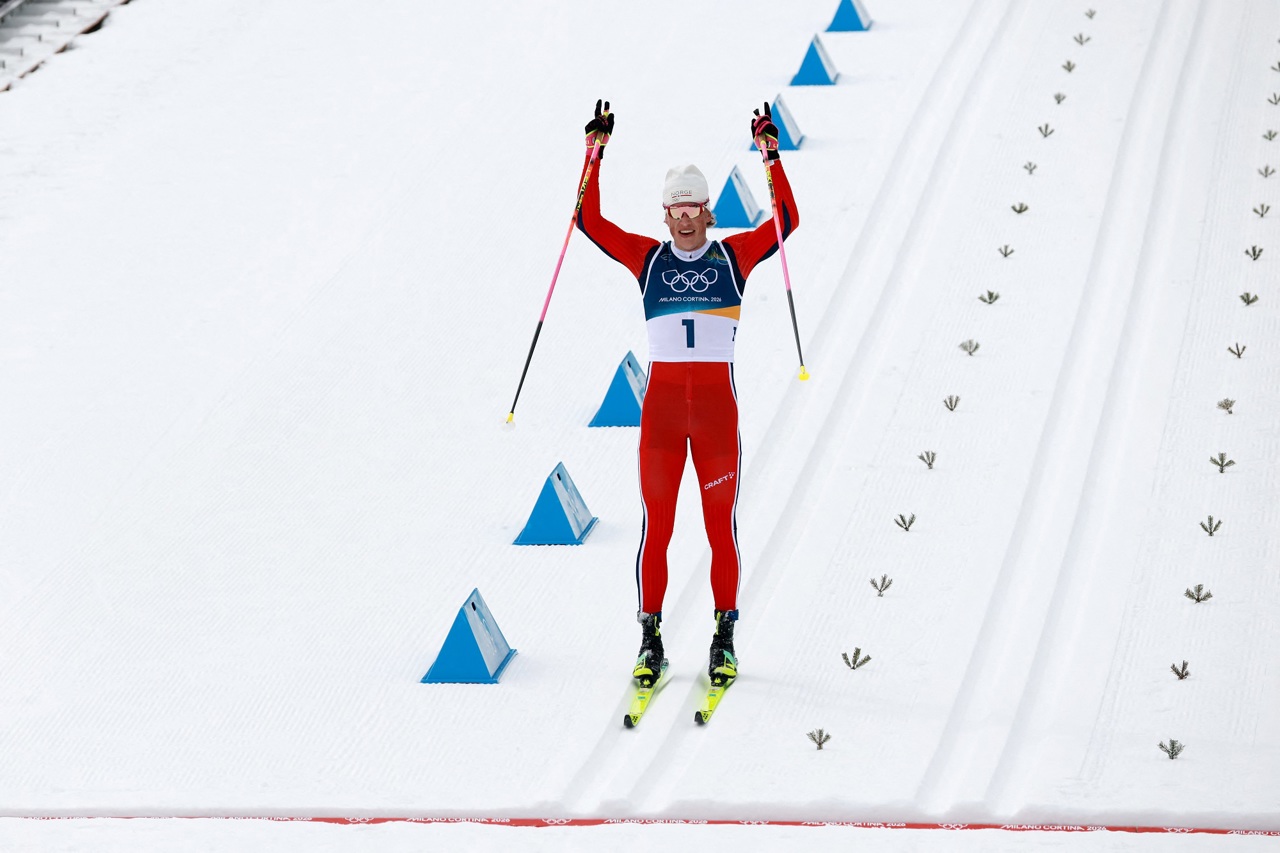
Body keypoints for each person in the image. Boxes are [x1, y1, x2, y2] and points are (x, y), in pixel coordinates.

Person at [576, 99, 799, 688]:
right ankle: (650, 640)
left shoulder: (734, 256)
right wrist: (593, 152)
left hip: (717, 419)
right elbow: (589, 222)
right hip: (664, 419)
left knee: (720, 530)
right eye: (674, 210)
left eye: (692, 208)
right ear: (666, 214)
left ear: (707, 211)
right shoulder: (647, 259)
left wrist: (770, 154)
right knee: (659, 529)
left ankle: (723, 637)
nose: (683, 219)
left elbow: (786, 220)